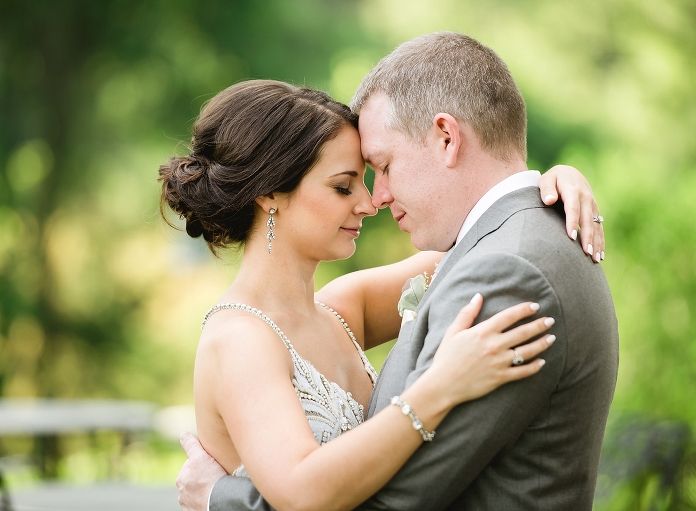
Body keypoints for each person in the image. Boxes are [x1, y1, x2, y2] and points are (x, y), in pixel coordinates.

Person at [169, 33, 614, 510]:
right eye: (344, 187)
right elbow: (301, 492)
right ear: (269, 194)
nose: (370, 201)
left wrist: (549, 183)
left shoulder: (342, 309)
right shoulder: (240, 339)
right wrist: (437, 390)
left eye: (371, 175)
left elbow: (485, 242)